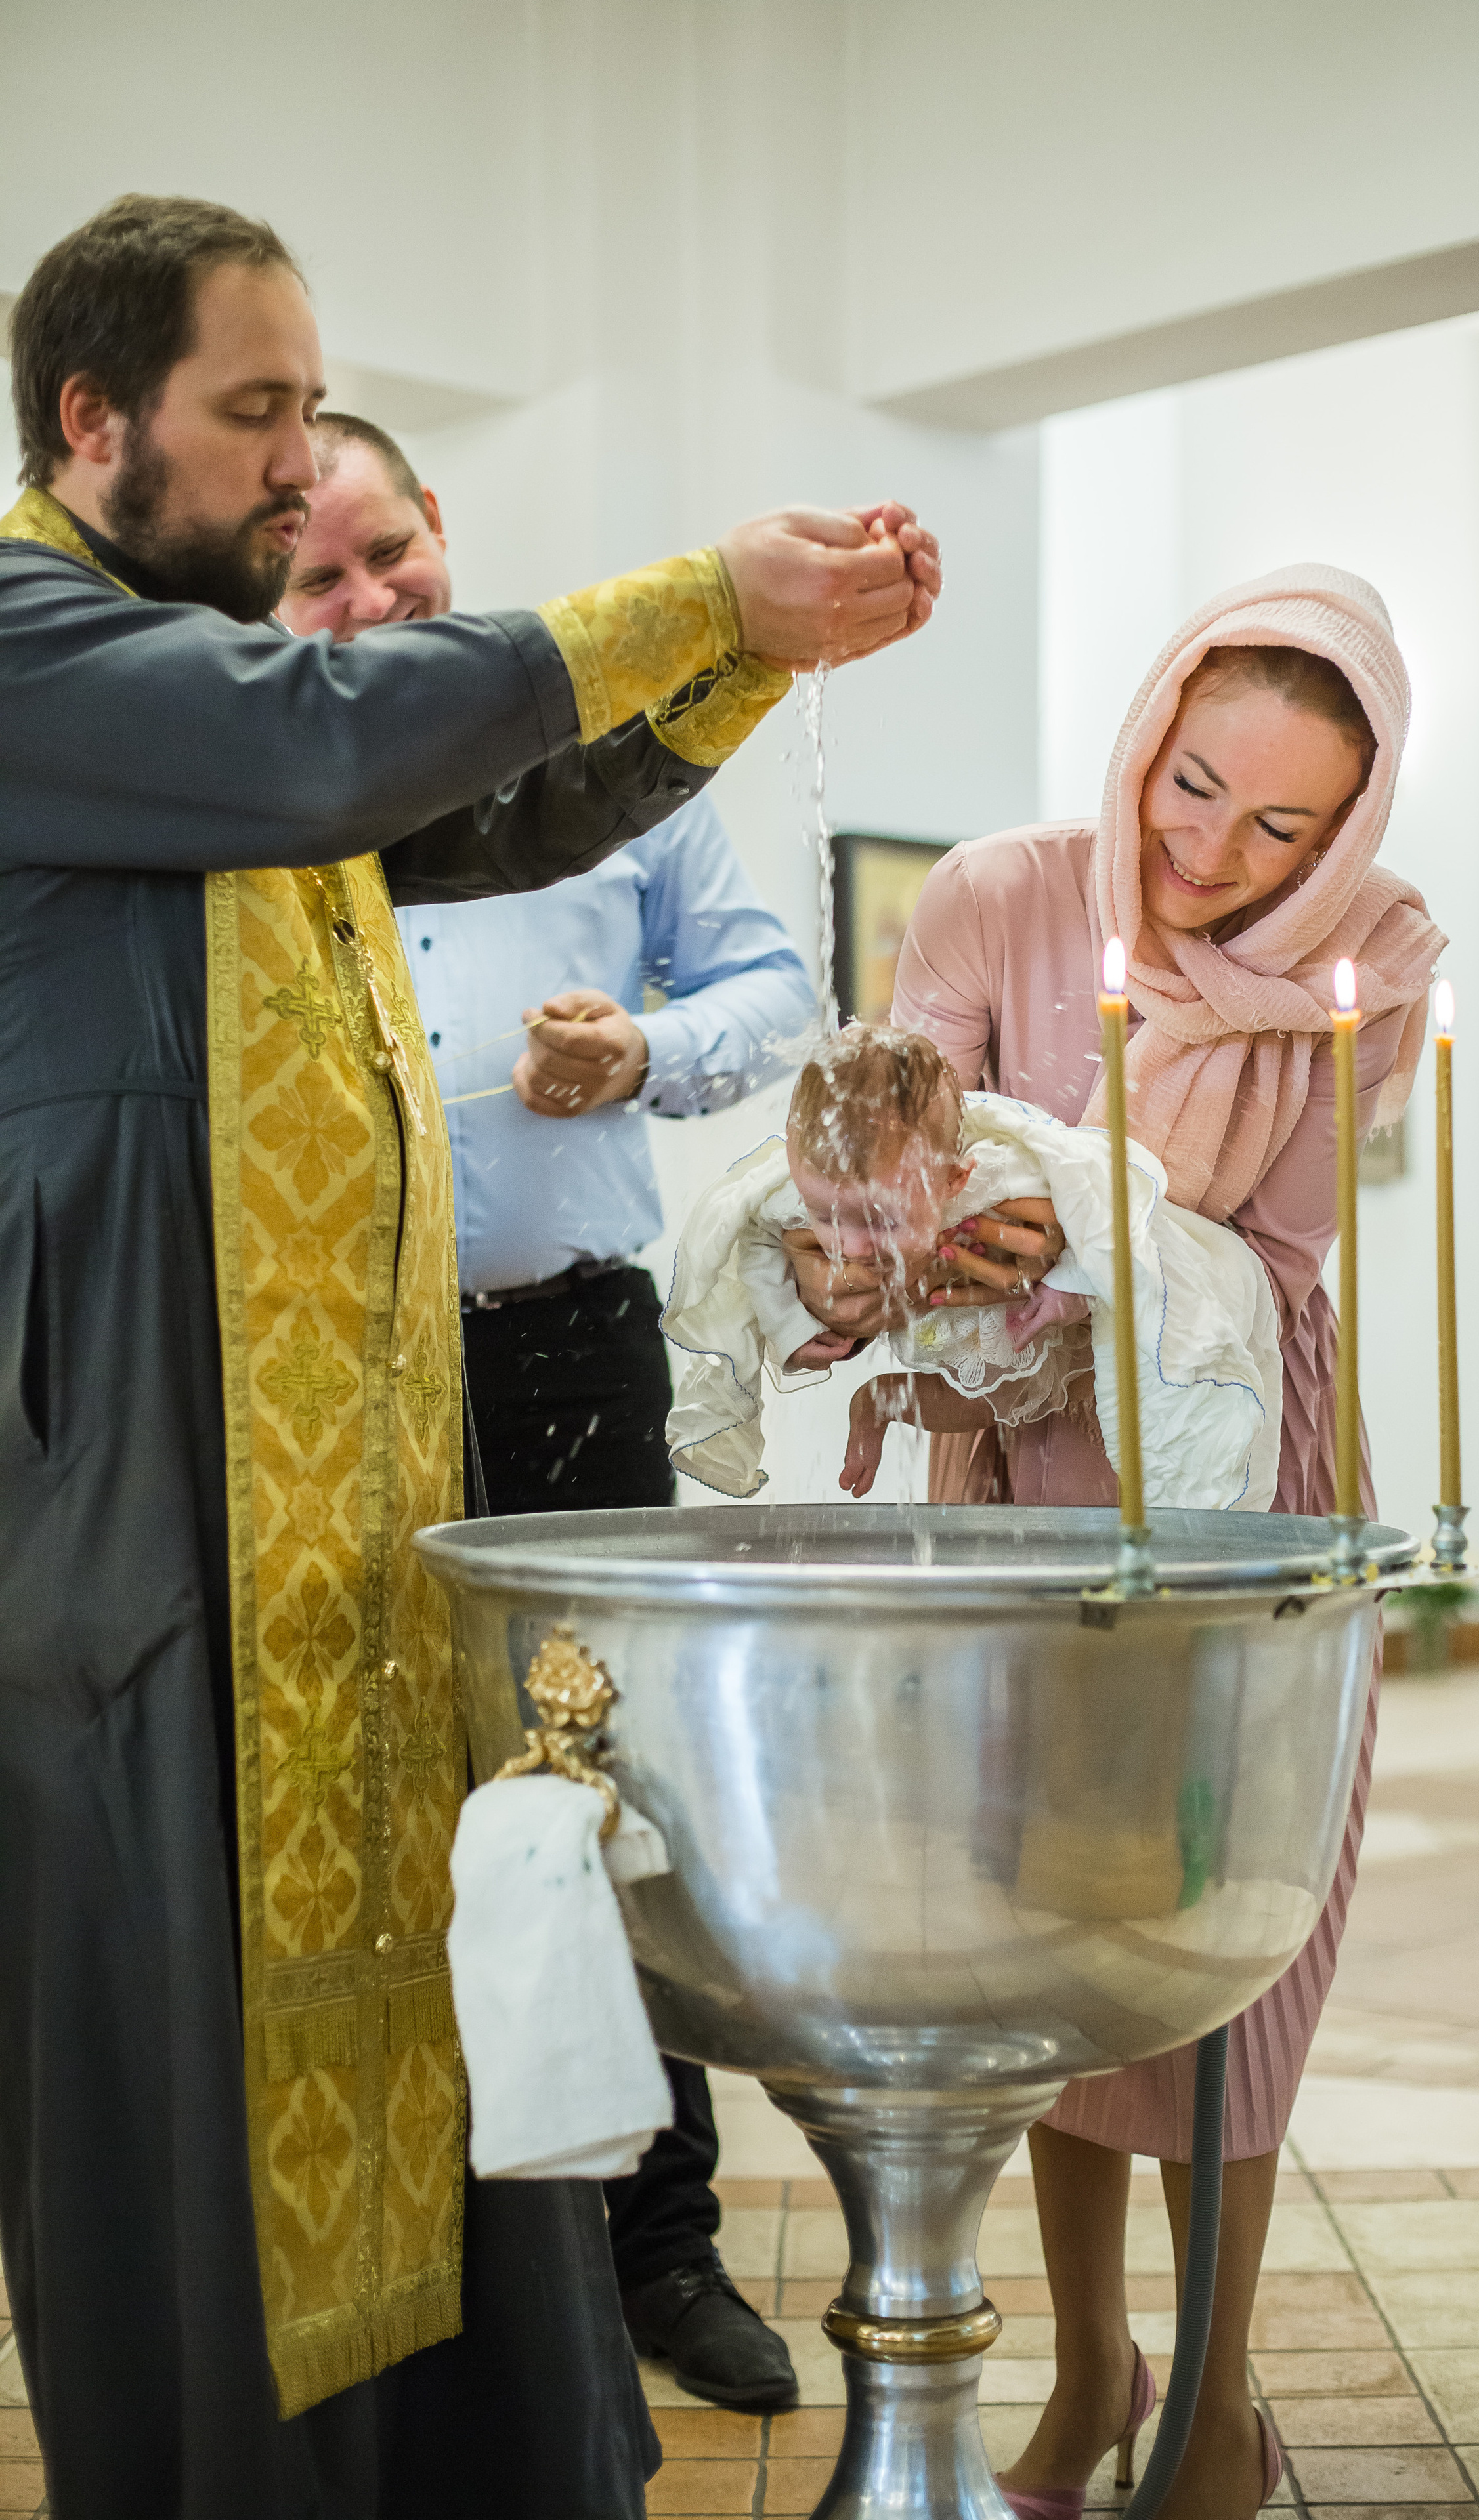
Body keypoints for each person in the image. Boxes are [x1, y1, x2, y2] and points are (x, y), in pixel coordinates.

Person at [0, 190, 939, 2520]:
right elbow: (331, 733)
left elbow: (490, 805)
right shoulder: (41, 647)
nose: (301, 474)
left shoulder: (211, 706)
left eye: (314, 418)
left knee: (448, 2036)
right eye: (255, 417)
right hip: (152, 1544)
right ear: (86, 420)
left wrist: (745, 659)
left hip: (336, 1540)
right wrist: (693, 592)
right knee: (204, 2114)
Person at [790, 568, 1442, 2519]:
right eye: (1192, 786)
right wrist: (922, 1223)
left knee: (1233, 1927)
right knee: (1045, 1941)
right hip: (1019, 1453)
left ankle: (1217, 2399)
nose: (1214, 853)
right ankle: (1086, 2377)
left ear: (1352, 827)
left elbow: (1273, 1245)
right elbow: (889, 1161)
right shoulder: (1001, 891)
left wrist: (1088, 1221)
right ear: (1149, 727)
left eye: (1281, 825)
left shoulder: (1371, 964)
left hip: (1237, 1449)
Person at [278, 412, 815, 2413]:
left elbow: (775, 990)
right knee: (389, 1791)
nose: (371, 600)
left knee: (613, 1793)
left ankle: (661, 2248)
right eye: (321, 577)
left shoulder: (595, 748)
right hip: (325, 1373)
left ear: (446, 527)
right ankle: (470, 2255)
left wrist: (652, 1046)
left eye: (392, 551)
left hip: (568, 1341)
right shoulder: (276, 781)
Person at [660, 1022, 1281, 1517]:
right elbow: (754, 1235)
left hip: (1041, 1342)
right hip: (952, 1347)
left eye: (880, 1221)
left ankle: (885, 1401)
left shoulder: (1001, 1179)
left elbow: (1105, 1207)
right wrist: (790, 1321)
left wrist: (1068, 1287)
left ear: (954, 1179)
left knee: (1007, 1398)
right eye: (827, 1216)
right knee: (968, 1397)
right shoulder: (820, 1185)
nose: (850, 1245)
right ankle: (879, 1403)